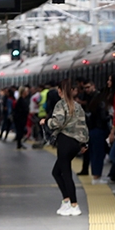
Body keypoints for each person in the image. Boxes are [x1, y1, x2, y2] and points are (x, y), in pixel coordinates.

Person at [42, 81, 89, 216]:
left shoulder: (61, 105)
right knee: (57, 172)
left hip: (65, 141)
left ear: (61, 91)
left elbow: (57, 122)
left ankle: (74, 204)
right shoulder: (78, 106)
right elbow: (84, 126)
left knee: (66, 174)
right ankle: (66, 201)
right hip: (75, 144)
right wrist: (84, 143)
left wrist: (47, 121)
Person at [82, 81, 110, 184]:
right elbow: (103, 117)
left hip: (92, 130)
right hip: (99, 130)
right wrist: (110, 116)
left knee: (94, 153)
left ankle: (95, 175)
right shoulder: (101, 102)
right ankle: (97, 177)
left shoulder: (92, 100)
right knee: (98, 154)